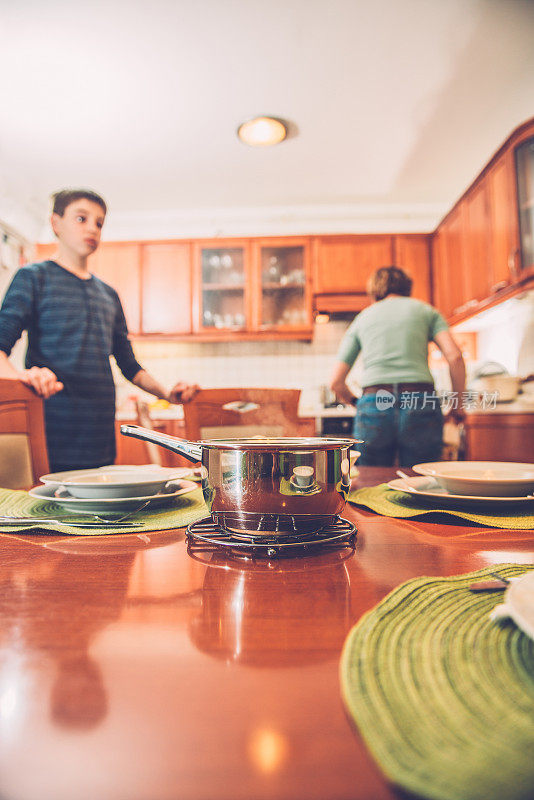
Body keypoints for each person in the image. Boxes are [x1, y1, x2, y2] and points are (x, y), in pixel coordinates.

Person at [0, 188, 199, 472]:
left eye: (99, 222)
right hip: (50, 427)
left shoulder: (109, 294)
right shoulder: (33, 278)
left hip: (100, 430)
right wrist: (24, 378)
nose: (92, 228)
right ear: (56, 223)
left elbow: (129, 365)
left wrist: (168, 394)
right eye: (82, 218)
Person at [330, 265, 466, 467]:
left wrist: (358, 403)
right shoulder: (427, 311)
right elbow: (454, 357)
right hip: (420, 400)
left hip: (375, 400)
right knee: (422, 478)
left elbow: (336, 382)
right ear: (407, 288)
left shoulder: (363, 318)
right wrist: (457, 406)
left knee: (371, 481)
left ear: (374, 290)